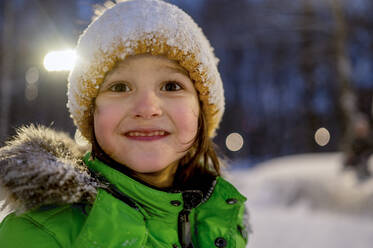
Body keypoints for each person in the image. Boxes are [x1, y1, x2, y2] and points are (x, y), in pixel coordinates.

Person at [0, 0, 250, 247]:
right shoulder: (38, 233)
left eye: (171, 86)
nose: (147, 108)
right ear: (91, 113)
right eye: (119, 87)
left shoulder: (219, 221)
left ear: (201, 111)